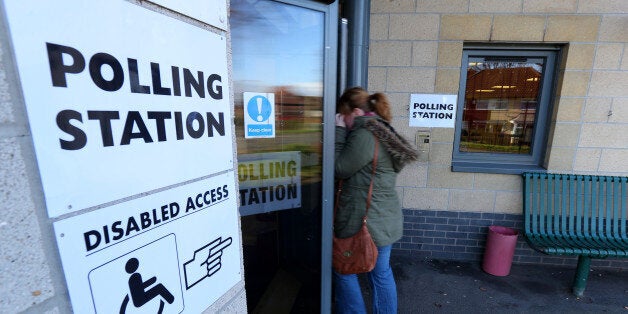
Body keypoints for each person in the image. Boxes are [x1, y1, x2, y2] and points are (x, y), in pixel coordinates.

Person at [333, 87, 418, 313]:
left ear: (357, 112)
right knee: (380, 273)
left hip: (367, 222)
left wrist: (339, 131)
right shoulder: (382, 131)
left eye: (345, 115)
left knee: (344, 269)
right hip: (384, 220)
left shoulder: (364, 134)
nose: (344, 120)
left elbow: (340, 168)